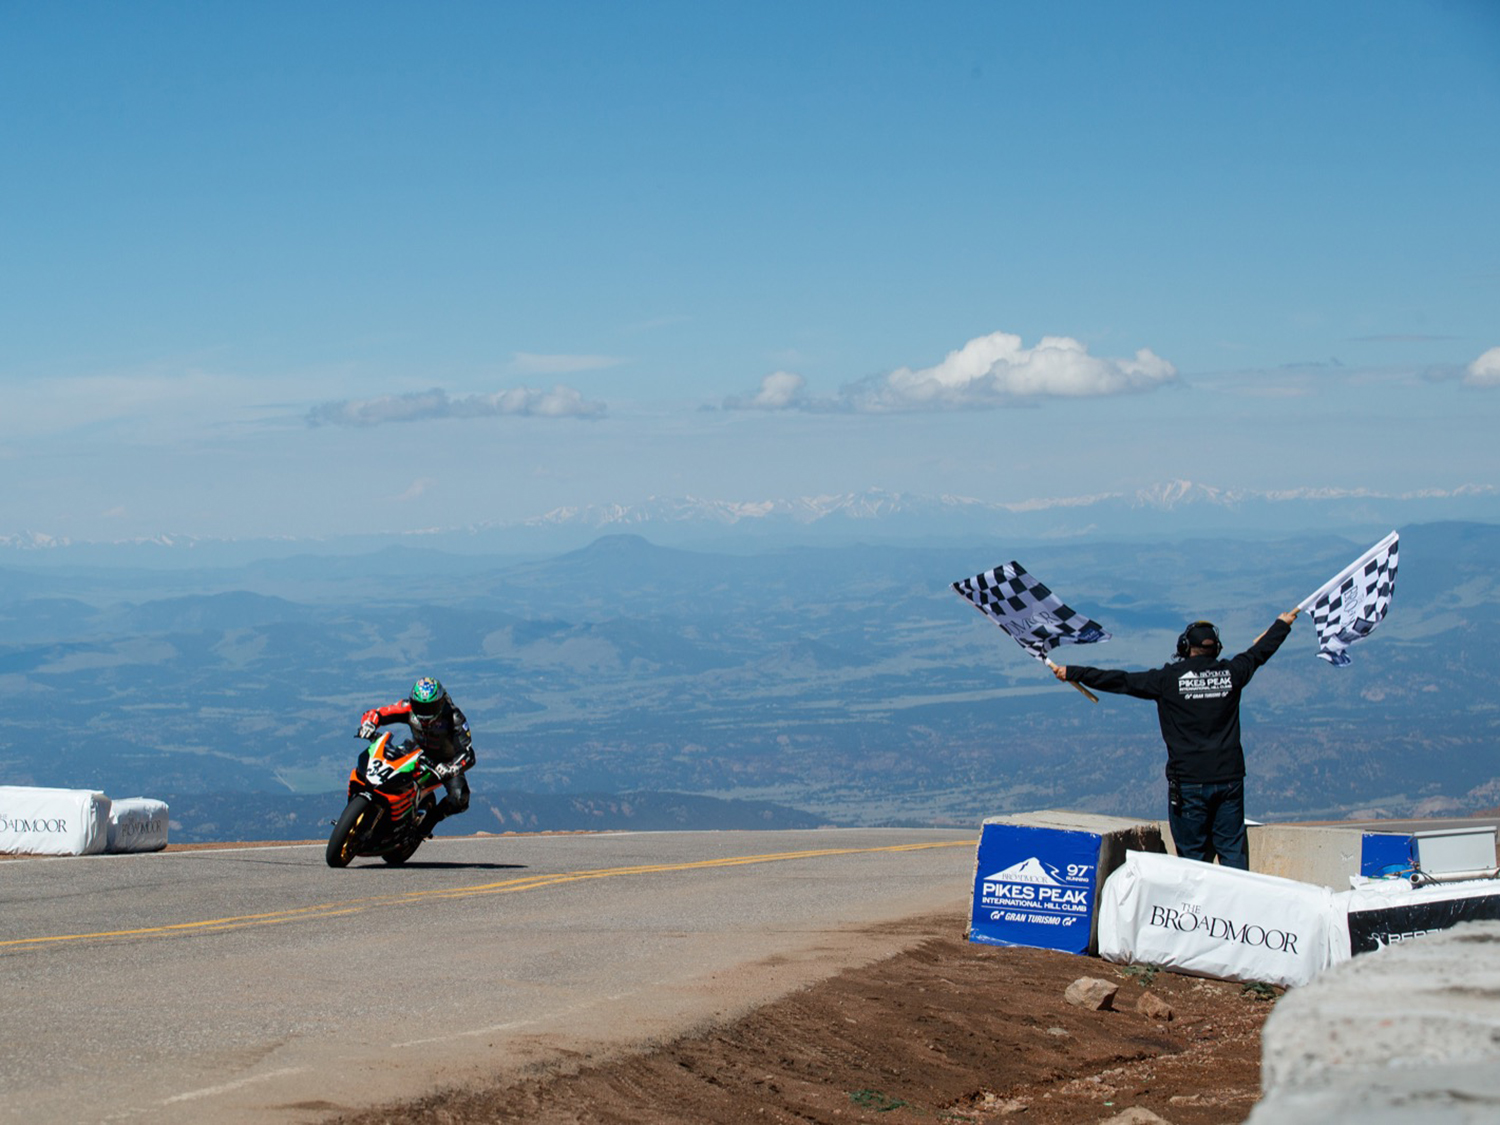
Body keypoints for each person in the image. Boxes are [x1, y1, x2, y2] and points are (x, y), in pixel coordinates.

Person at [1051, 609, 1300, 869]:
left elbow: (1121, 681)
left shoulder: (1167, 680)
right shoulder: (1232, 673)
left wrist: (1074, 672)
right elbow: (1259, 653)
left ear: (1184, 647)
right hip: (1229, 779)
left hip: (1189, 783)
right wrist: (1282, 624)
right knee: (1233, 854)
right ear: (1216, 648)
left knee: (1193, 862)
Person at [358, 676, 476, 834]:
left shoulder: (454, 718)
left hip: (444, 763)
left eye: (429, 708)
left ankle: (427, 825)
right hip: (413, 751)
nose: (423, 712)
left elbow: (468, 753)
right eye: (419, 706)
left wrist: (452, 767)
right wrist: (369, 724)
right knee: (378, 769)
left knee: (459, 798)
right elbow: (378, 713)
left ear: (441, 703)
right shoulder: (407, 708)